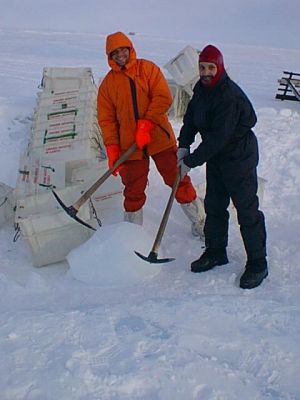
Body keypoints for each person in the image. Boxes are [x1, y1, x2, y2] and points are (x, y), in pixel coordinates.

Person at [177, 44, 268, 289]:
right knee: (214, 205)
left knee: (246, 210)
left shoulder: (228, 95)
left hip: (238, 155)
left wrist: (190, 161)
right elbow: (190, 120)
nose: (206, 72)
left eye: (211, 67)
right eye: (202, 67)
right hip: (217, 156)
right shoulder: (201, 89)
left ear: (220, 67)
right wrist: (183, 145)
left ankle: (258, 263)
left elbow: (218, 138)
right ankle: (216, 251)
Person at [97, 31, 205, 236]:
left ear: (130, 49)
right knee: (133, 189)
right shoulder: (108, 85)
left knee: (177, 178)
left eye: (123, 50)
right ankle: (132, 234)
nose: (120, 55)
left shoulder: (147, 69)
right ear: (109, 56)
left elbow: (163, 97)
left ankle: (200, 221)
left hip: (159, 137)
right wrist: (112, 148)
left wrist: (146, 125)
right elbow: (107, 120)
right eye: (115, 52)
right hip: (131, 145)